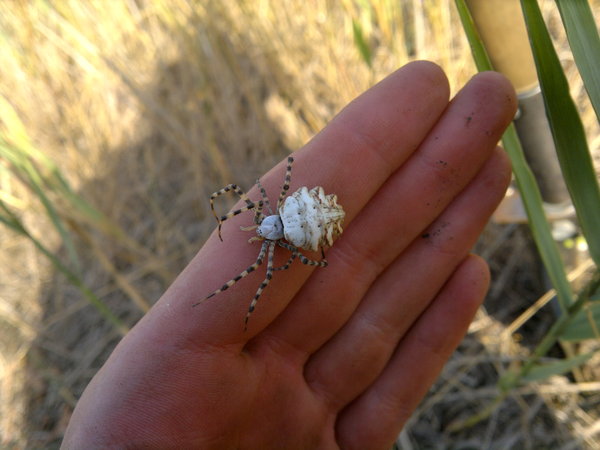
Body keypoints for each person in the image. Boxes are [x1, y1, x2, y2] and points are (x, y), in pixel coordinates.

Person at [61, 61, 516, 449]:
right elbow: (276, 196)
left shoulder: (275, 235)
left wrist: (293, 256)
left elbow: (260, 270)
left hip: (309, 219)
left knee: (257, 279)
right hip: (304, 217)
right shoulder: (272, 220)